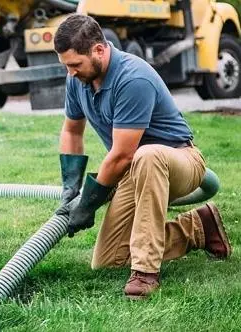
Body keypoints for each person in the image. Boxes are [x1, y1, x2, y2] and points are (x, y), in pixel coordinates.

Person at [53, 14, 231, 299]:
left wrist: (88, 203)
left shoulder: (133, 77)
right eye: (67, 66)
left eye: (76, 64)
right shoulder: (77, 79)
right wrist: (71, 185)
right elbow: (72, 131)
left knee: (146, 155)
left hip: (178, 160)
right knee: (108, 261)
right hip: (134, 171)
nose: (71, 72)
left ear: (99, 50)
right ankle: (197, 228)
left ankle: (146, 273)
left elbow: (123, 154)